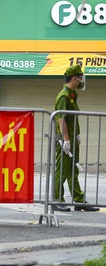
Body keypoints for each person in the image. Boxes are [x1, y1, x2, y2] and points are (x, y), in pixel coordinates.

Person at [52, 64, 98, 212]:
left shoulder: (72, 95)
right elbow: (61, 119)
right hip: (65, 140)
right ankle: (57, 200)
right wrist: (66, 140)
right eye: (80, 76)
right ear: (75, 78)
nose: (82, 79)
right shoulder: (64, 96)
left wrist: (76, 134)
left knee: (73, 170)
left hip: (71, 138)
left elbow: (72, 119)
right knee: (63, 170)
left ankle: (79, 200)